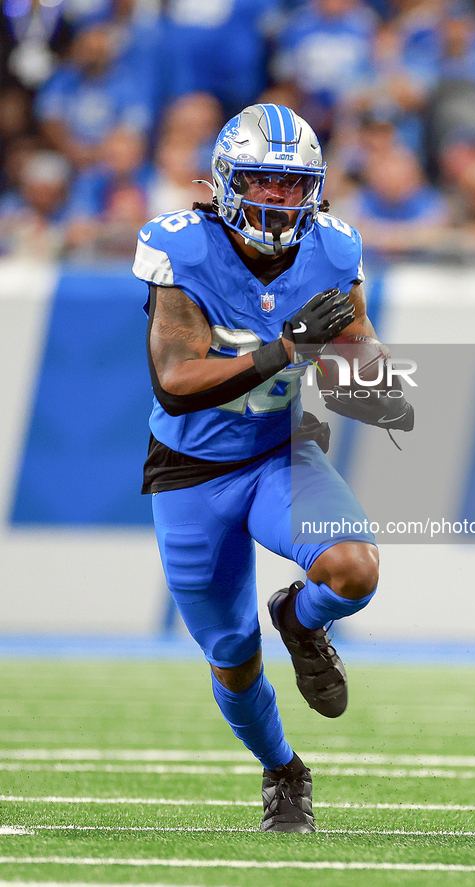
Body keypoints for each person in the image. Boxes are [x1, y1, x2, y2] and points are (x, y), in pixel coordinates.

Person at [132, 102, 413, 833]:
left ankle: (299, 615)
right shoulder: (182, 248)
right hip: (190, 468)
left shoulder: (335, 248)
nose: (277, 200)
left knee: (354, 568)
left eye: (293, 186)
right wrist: (287, 348)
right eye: (262, 180)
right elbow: (176, 378)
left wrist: (362, 369)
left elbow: (361, 362)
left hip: (277, 451)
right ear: (226, 179)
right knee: (230, 654)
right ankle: (283, 769)